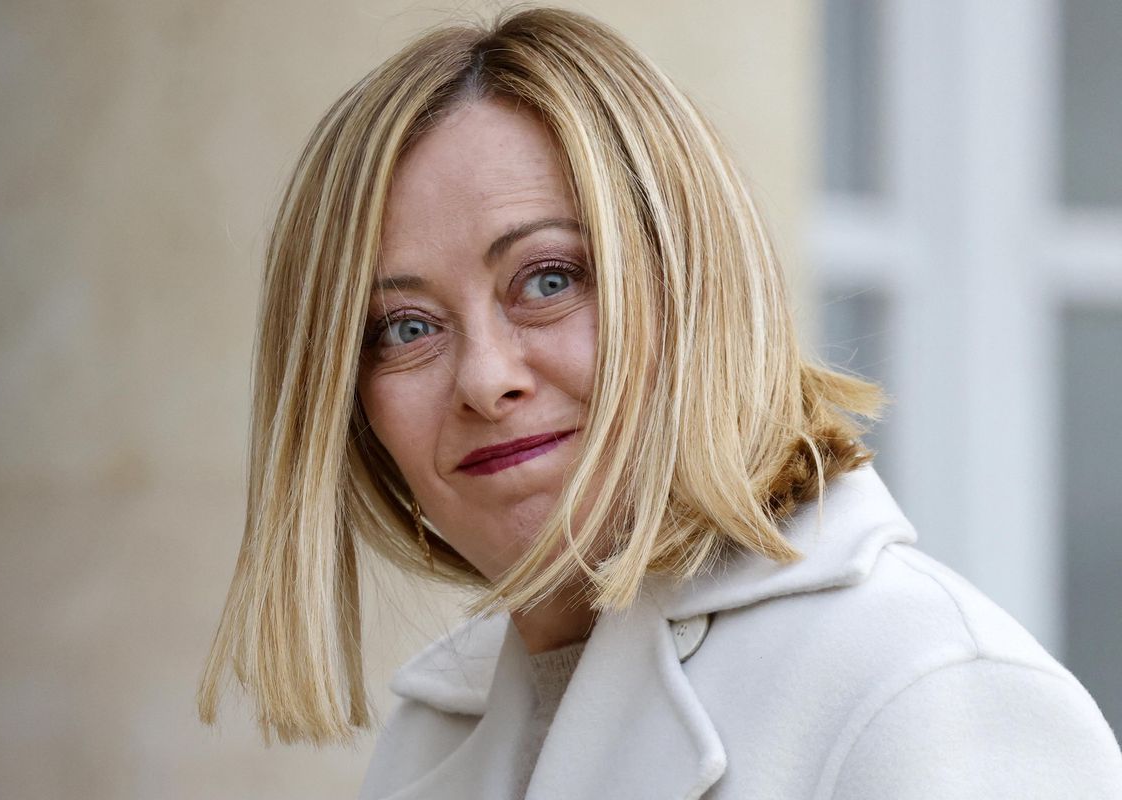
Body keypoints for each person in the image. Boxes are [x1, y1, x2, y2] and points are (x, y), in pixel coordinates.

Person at [196, 7, 1122, 798]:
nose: (484, 378)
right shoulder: (435, 733)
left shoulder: (927, 692)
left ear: (693, 289)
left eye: (547, 279)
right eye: (402, 329)